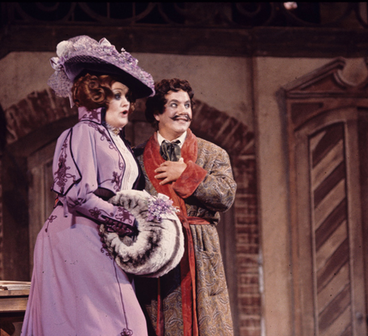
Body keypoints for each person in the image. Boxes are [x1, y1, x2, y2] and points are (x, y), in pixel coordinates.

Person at [21, 35, 154, 336]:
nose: (127, 105)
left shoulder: (114, 139)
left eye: (128, 98)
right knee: (102, 325)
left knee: (121, 322)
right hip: (76, 234)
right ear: (97, 95)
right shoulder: (82, 132)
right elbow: (78, 195)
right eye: (118, 95)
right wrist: (129, 221)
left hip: (101, 236)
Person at [134, 78, 237, 335]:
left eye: (187, 105)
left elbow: (225, 196)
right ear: (157, 113)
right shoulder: (135, 157)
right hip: (157, 257)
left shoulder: (214, 154)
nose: (184, 111)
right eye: (173, 104)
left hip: (201, 254)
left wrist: (187, 173)